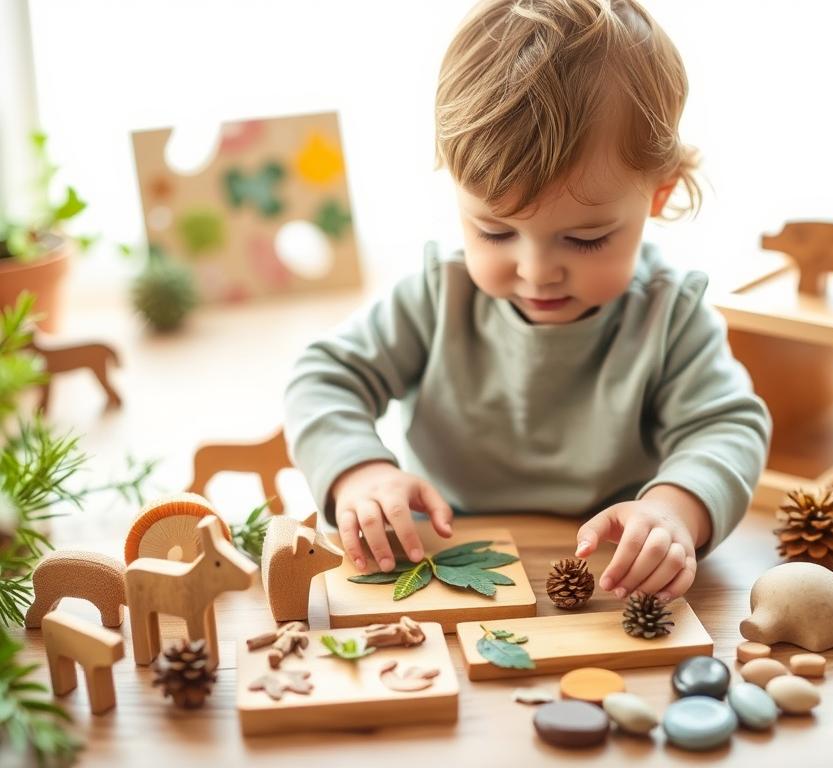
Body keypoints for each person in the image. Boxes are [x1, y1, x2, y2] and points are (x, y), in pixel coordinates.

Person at [284, 0, 770, 602]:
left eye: (585, 238)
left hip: (606, 568)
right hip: (444, 550)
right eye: (494, 232)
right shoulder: (442, 293)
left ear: (659, 196)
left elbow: (727, 426)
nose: (537, 272)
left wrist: (676, 509)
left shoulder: (669, 314)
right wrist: (360, 471)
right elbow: (324, 376)